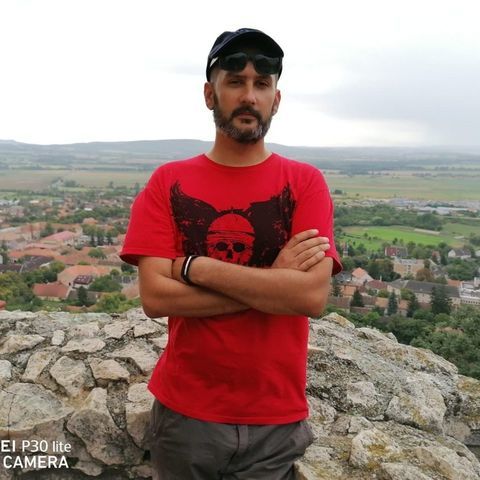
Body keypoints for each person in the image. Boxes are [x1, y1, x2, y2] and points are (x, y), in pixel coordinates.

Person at [120, 27, 342, 480]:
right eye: (235, 81)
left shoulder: (304, 183)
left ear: (276, 100)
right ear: (210, 94)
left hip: (275, 414)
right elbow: (156, 299)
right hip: (186, 413)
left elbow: (310, 297)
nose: (249, 96)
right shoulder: (169, 182)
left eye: (262, 84)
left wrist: (193, 266)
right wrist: (273, 282)